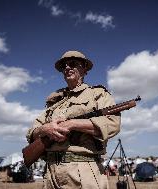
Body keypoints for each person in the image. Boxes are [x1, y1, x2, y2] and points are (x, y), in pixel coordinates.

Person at [26, 50, 121, 189]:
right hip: (50, 172)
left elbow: (112, 124)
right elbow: (32, 132)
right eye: (64, 66)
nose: (67, 68)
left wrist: (72, 124)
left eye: (72, 64)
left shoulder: (97, 94)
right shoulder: (55, 101)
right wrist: (46, 129)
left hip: (82, 170)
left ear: (84, 69)